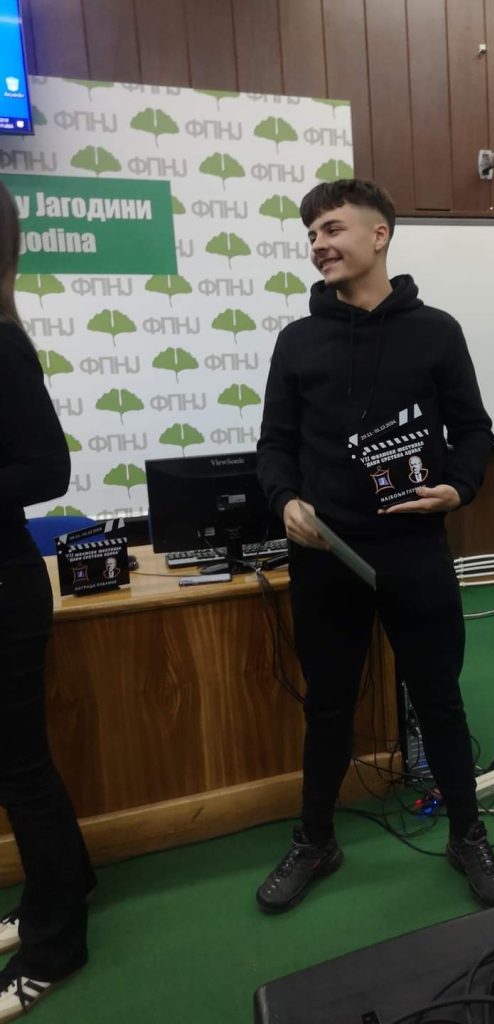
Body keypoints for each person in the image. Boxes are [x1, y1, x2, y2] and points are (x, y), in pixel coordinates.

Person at [255, 178, 494, 912]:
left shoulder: (436, 332)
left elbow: (474, 429)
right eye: (310, 234)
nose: (318, 244)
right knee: (328, 708)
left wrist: (459, 486)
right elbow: (273, 446)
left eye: (332, 228)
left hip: (414, 552)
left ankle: (467, 835)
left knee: (439, 700)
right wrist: (286, 501)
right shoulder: (297, 341)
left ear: (380, 235)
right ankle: (316, 841)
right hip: (327, 556)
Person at [0, 180, 95, 1021]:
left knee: (19, 769)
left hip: (4, 590)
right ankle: (57, 890)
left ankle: (55, 943)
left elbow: (48, 470)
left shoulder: (2, 342)